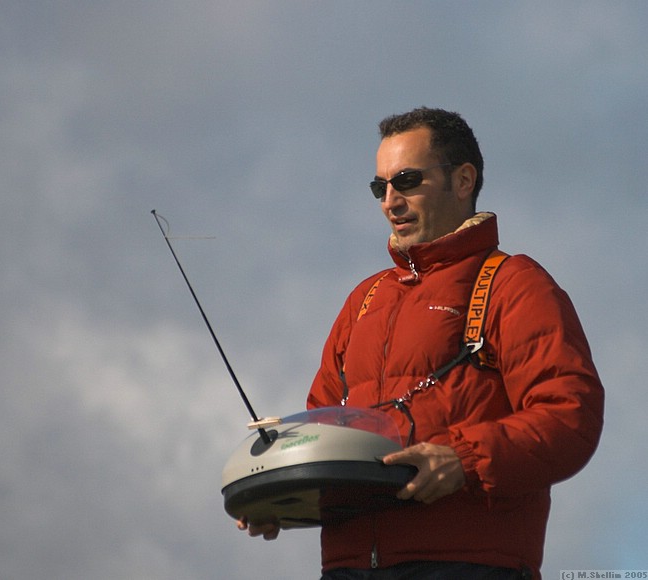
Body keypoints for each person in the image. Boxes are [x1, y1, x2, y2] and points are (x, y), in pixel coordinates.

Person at [238, 107, 604, 579]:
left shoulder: (515, 284)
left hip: (468, 566)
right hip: (347, 568)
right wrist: (276, 492)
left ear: (463, 180)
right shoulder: (363, 300)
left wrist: (463, 460)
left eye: (407, 180)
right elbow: (323, 436)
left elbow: (570, 417)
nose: (390, 201)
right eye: (379, 187)